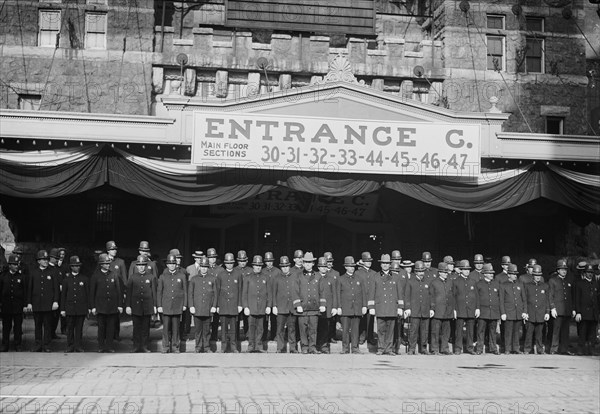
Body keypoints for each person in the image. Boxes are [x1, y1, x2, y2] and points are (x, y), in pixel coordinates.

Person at [27, 250, 60, 352]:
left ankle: (47, 345)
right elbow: (30, 289)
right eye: (43, 259)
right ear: (38, 261)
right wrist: (29, 302)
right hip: (36, 303)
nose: (45, 261)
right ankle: (37, 345)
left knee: (47, 326)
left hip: (48, 304)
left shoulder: (52, 272)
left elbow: (56, 288)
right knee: (37, 326)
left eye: (46, 259)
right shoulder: (33, 272)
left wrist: (55, 301)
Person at [370, 254, 402, 355]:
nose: (385, 265)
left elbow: (400, 293)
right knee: (381, 330)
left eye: (387, 263)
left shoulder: (396, 277)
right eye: (383, 263)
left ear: (390, 264)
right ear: (380, 264)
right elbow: (372, 292)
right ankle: (380, 348)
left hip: (392, 307)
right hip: (380, 307)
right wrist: (371, 307)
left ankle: (388, 349)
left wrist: (400, 307)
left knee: (390, 330)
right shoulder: (375, 276)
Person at [90, 253, 123, 353]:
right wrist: (93, 307)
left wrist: (120, 305)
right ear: (101, 264)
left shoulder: (114, 275)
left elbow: (118, 291)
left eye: (108, 263)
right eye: (106, 263)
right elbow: (92, 293)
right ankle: (101, 346)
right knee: (101, 328)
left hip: (112, 306)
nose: (108, 265)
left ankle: (109, 346)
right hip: (100, 306)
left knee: (110, 328)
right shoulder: (96, 276)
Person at [126, 255, 157, 353]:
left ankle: (145, 346)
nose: (141, 267)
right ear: (137, 266)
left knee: (145, 328)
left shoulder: (151, 277)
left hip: (147, 306)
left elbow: (154, 293)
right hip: (136, 306)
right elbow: (129, 293)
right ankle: (136, 346)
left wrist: (155, 305)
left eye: (143, 265)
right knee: (136, 328)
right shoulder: (132, 277)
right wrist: (128, 306)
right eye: (139, 265)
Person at [157, 254, 187, 353]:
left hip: (177, 306)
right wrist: (159, 305)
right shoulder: (162, 277)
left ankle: (175, 347)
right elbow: (159, 292)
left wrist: (184, 304)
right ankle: (165, 347)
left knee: (176, 328)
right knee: (166, 329)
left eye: (173, 263)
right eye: (170, 264)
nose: (172, 266)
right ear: (167, 265)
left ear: (176, 264)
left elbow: (185, 291)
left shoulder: (182, 276)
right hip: (166, 306)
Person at [336, 256, 367, 354]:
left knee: (355, 330)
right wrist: (339, 307)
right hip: (345, 308)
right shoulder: (340, 279)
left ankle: (355, 348)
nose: (352, 268)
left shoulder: (360, 279)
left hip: (356, 308)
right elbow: (338, 294)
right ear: (346, 267)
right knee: (345, 330)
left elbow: (363, 293)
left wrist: (364, 306)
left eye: (353, 266)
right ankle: (345, 348)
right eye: (350, 266)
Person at [60, 256, 90, 353]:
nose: (77, 268)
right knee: (70, 328)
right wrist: (62, 309)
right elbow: (63, 296)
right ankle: (70, 345)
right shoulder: (66, 280)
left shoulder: (84, 279)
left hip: (81, 308)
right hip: (70, 308)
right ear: (71, 267)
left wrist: (88, 308)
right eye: (75, 266)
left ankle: (78, 345)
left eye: (78, 266)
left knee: (79, 328)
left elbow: (87, 294)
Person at [242, 255, 271, 353]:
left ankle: (259, 346)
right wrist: (245, 306)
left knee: (260, 328)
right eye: (256, 265)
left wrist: (268, 306)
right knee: (251, 327)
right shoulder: (248, 277)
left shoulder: (266, 277)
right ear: (253, 266)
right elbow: (244, 293)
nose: (258, 267)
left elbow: (269, 293)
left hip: (262, 307)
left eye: (259, 265)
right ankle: (251, 346)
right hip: (251, 307)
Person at [295, 252, 322, 354]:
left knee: (313, 329)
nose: (307, 264)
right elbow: (295, 291)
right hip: (303, 307)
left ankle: (312, 347)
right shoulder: (298, 276)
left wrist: (322, 305)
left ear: (313, 263)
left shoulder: (318, 276)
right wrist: (298, 305)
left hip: (314, 308)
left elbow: (322, 291)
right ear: (303, 263)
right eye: (306, 262)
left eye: (309, 262)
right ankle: (304, 347)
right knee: (303, 329)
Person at [188, 256, 217, 353]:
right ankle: (198, 347)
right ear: (199, 267)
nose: (204, 268)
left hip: (208, 308)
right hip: (197, 308)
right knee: (198, 330)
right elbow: (190, 294)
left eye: (206, 267)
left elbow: (215, 294)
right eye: (202, 266)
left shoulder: (212, 279)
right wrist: (191, 306)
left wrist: (214, 306)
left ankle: (207, 347)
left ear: (208, 267)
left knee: (207, 329)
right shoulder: (194, 279)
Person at [0, 254, 28, 352]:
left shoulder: (22, 277)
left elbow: (25, 292)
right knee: (6, 327)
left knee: (17, 327)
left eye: (17, 264)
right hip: (6, 306)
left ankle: (18, 345)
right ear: (9, 265)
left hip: (18, 306)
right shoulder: (3, 276)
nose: (16, 266)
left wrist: (25, 305)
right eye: (14, 264)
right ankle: (5, 345)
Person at [217, 252, 243, 353]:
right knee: (223, 328)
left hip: (233, 305)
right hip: (223, 305)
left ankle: (233, 346)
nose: (229, 264)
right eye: (227, 263)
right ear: (224, 263)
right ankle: (223, 347)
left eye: (231, 262)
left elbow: (240, 289)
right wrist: (218, 305)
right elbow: (218, 290)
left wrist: (240, 304)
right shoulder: (220, 275)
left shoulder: (238, 274)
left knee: (233, 328)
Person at [272, 256, 299, 353]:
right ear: (280, 267)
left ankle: (293, 347)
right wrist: (274, 305)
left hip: (291, 307)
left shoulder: (295, 277)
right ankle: (280, 347)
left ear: (289, 266)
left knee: (292, 328)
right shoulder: (276, 278)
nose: (285, 268)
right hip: (281, 307)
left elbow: (297, 291)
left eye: (286, 266)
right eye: (283, 267)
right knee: (280, 329)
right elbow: (273, 293)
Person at [404, 261, 431, 354]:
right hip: (414, 310)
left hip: (425, 310)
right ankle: (412, 349)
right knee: (413, 331)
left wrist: (432, 308)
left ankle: (423, 348)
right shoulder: (410, 282)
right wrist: (407, 308)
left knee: (425, 331)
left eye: (422, 271)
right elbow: (407, 296)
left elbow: (431, 296)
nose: (421, 273)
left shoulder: (428, 281)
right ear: (415, 271)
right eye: (419, 271)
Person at [548, 259, 575, 355]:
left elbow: (570, 296)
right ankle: (554, 349)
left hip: (567, 310)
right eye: (562, 269)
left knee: (565, 331)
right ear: (558, 270)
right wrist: (552, 308)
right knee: (556, 330)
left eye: (565, 269)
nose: (564, 271)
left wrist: (572, 309)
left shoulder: (568, 281)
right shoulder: (553, 280)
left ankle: (564, 349)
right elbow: (550, 295)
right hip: (558, 310)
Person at [499, 264, 527, 354]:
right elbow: (501, 300)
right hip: (508, 312)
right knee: (508, 332)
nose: (515, 275)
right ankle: (507, 348)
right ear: (508, 274)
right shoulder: (503, 285)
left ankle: (516, 348)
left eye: (516, 274)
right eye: (513, 274)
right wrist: (503, 313)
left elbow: (524, 299)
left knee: (516, 332)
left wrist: (525, 311)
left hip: (518, 312)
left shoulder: (520, 284)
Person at [523, 265, 550, 354]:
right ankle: (527, 349)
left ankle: (539, 349)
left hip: (541, 313)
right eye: (536, 275)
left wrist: (547, 312)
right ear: (533, 275)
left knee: (539, 334)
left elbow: (547, 300)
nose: (538, 277)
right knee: (529, 333)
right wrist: (525, 312)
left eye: (539, 275)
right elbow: (525, 300)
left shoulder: (545, 286)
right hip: (530, 313)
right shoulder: (527, 286)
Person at [573, 264, 599, 355]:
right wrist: (578, 312)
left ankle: (591, 349)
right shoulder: (580, 283)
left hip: (593, 313)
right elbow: (577, 299)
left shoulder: (595, 284)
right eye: (588, 272)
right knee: (582, 332)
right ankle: (580, 349)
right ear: (585, 273)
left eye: (591, 272)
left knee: (592, 333)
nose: (590, 274)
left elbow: (597, 299)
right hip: (583, 312)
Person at [475, 263, 501, 355]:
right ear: (484, 273)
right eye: (489, 273)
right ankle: (479, 349)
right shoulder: (479, 284)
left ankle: (493, 348)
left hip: (493, 312)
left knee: (493, 331)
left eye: (492, 273)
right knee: (481, 331)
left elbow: (499, 298)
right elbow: (477, 298)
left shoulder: (496, 284)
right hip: (483, 311)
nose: (491, 275)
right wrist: (477, 309)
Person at [453, 260, 477, 355]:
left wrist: (477, 308)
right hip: (460, 309)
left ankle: (470, 348)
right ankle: (458, 348)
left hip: (470, 309)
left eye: (468, 269)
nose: (467, 271)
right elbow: (453, 296)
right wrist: (454, 309)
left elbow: (476, 296)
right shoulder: (456, 281)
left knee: (470, 331)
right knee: (458, 330)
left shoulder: (472, 281)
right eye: (465, 269)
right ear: (461, 270)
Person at [430, 262, 454, 355]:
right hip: (438, 311)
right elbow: (431, 296)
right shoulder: (434, 283)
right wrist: (432, 308)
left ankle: (445, 348)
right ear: (439, 272)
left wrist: (453, 309)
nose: (445, 274)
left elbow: (452, 296)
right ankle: (434, 349)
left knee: (446, 331)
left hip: (447, 311)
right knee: (435, 331)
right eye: (444, 272)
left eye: (447, 272)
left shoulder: (450, 282)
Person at [107, 241, 127, 342]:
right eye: (112, 249)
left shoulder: (120, 262)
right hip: (106, 293)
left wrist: (124, 292)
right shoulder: (103, 261)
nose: (114, 251)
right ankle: (106, 335)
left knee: (116, 315)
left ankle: (116, 334)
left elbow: (124, 279)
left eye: (115, 249)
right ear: (108, 251)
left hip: (117, 292)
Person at [317, 256, 337, 354]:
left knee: (325, 328)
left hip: (328, 307)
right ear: (318, 267)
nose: (324, 268)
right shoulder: (314, 277)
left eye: (325, 266)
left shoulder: (331, 279)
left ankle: (324, 346)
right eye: (321, 266)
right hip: (317, 307)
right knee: (315, 328)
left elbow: (335, 294)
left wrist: (334, 307)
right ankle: (316, 345)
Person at [356, 251, 377, 346]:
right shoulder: (358, 273)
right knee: (362, 319)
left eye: (370, 261)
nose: (369, 262)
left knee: (371, 319)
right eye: (366, 261)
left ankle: (370, 337)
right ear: (363, 262)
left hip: (371, 299)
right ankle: (361, 336)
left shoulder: (374, 273)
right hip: (361, 300)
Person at [262, 252, 281, 346]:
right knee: (265, 319)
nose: (269, 263)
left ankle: (274, 335)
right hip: (265, 298)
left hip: (275, 297)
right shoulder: (262, 271)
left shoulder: (277, 271)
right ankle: (264, 335)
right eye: (267, 261)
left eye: (270, 261)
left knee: (274, 319)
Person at [324, 252, 340, 344]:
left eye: (330, 261)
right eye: (327, 261)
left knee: (333, 320)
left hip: (333, 299)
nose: (329, 263)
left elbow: (337, 289)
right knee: (324, 320)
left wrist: (337, 304)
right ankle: (324, 337)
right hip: (324, 299)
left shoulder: (336, 273)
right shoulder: (320, 272)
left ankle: (332, 336)